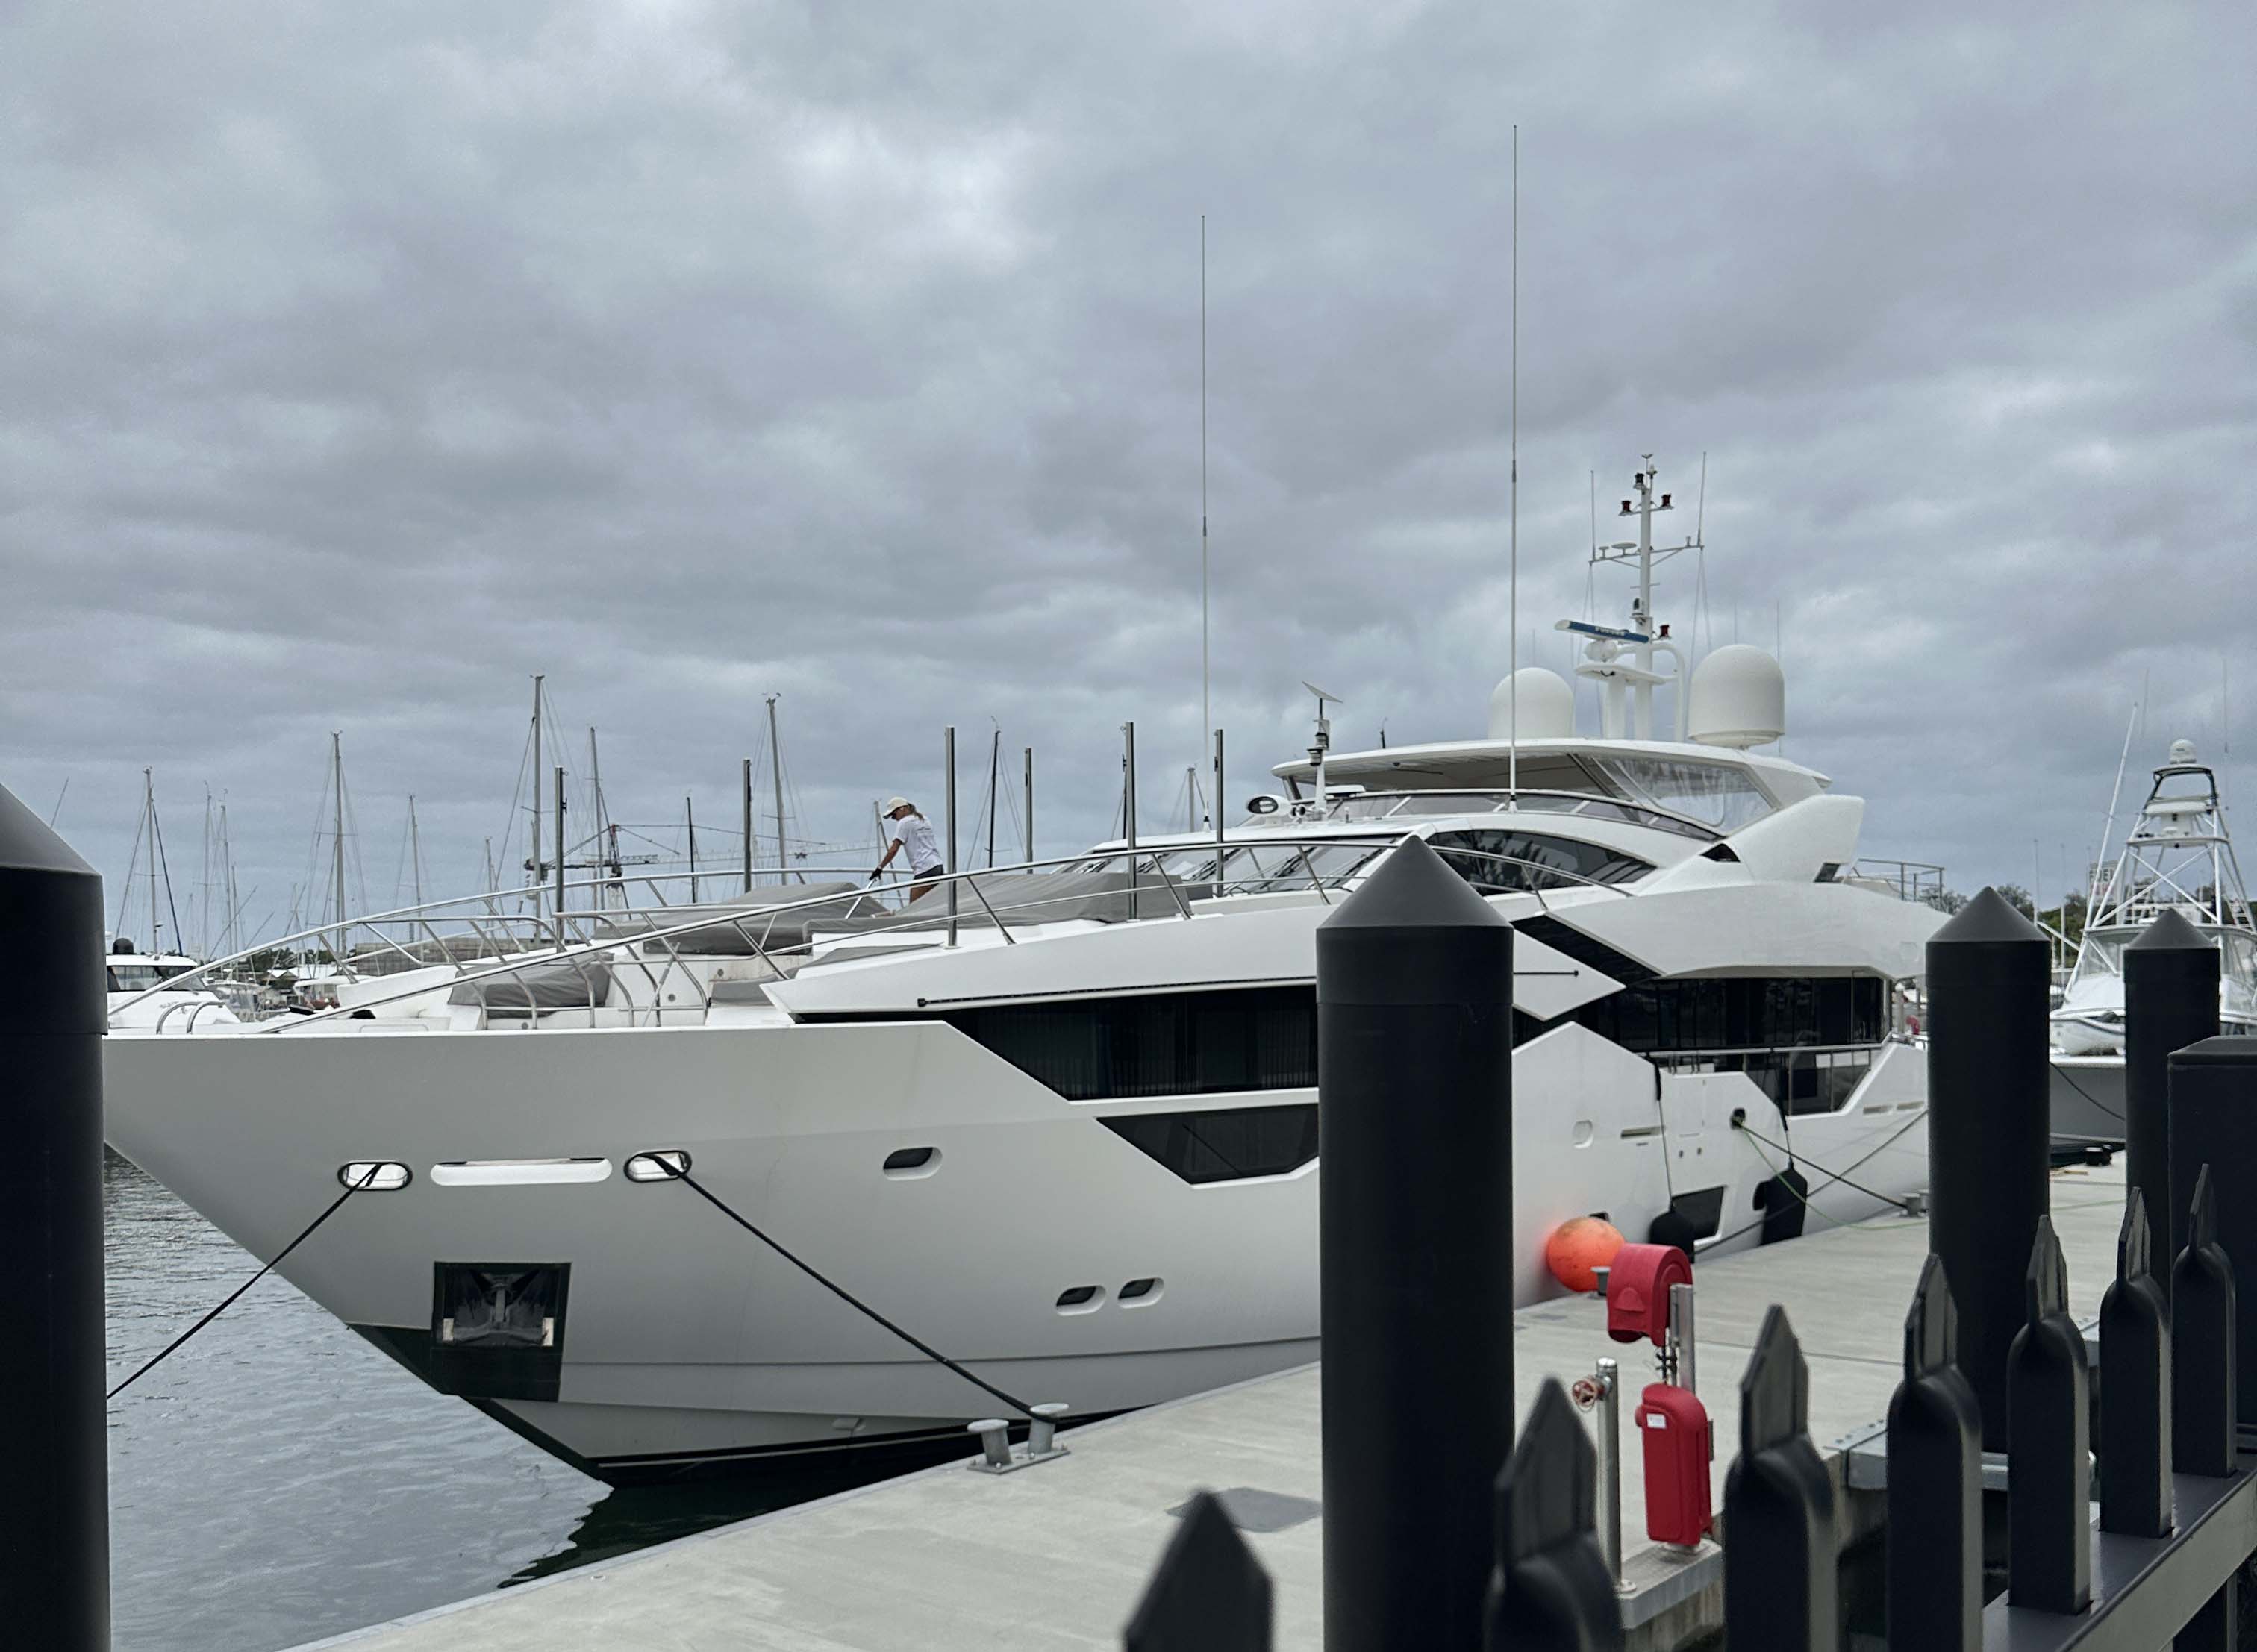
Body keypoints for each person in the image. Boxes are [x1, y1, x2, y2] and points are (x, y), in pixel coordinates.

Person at [872, 797, 944, 901]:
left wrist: (880, 868)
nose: (894, 819)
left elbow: (894, 849)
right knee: (930, 904)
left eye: (894, 815)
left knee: (914, 906)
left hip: (924, 869)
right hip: (938, 866)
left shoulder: (904, 823)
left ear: (902, 809)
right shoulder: (925, 819)